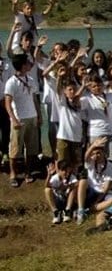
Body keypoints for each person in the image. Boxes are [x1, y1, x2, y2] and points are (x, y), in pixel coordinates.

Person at [4, 53, 41, 186]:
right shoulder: (11, 82)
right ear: (22, 65)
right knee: (15, 148)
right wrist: (13, 119)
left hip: (31, 117)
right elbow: (8, 103)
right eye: (27, 63)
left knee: (31, 148)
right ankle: (13, 173)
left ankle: (28, 172)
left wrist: (39, 115)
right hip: (19, 119)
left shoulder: (30, 79)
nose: (30, 65)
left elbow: (34, 99)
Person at [77, 138, 112, 225]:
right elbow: (86, 156)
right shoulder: (90, 162)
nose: (96, 156)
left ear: (104, 153)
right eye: (93, 154)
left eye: (98, 153)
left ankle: (88, 211)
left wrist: (97, 201)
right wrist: (93, 145)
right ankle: (80, 210)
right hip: (91, 190)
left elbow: (106, 187)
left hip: (102, 193)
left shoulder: (110, 165)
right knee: (82, 181)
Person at [44, 159, 77, 225]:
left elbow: (76, 184)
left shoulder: (71, 177)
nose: (66, 173)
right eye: (64, 171)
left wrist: (67, 186)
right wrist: (49, 175)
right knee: (47, 190)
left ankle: (67, 210)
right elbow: (47, 186)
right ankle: (55, 212)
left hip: (67, 200)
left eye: (68, 171)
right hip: (57, 200)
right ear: (59, 170)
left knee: (73, 189)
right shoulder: (55, 178)